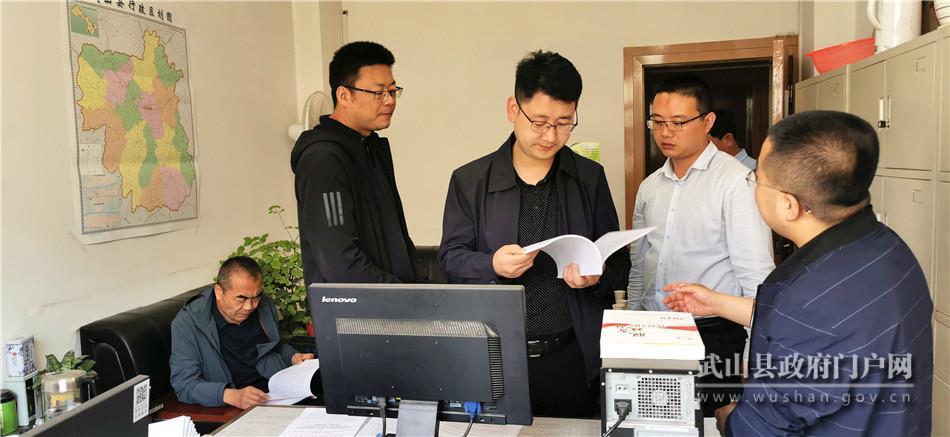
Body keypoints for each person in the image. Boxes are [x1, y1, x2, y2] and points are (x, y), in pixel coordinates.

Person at [665, 110, 933, 435]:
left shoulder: (811, 299)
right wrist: (717, 303)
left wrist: (728, 419)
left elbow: (762, 429)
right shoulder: (888, 248)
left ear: (788, 205)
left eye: (756, 179)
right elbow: (831, 330)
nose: (753, 186)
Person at [439, 50, 630, 418]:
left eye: (564, 123)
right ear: (513, 108)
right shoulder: (470, 181)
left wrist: (597, 275)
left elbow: (620, 263)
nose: (551, 135)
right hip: (495, 357)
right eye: (540, 122)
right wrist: (492, 265)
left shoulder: (588, 178)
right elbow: (450, 259)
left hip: (572, 356)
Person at [627, 74, 774, 416]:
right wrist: (632, 325)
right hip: (653, 331)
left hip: (713, 335)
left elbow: (756, 276)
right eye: (658, 122)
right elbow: (640, 264)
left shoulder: (736, 182)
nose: (666, 132)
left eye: (678, 122)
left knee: (710, 423)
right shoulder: (650, 187)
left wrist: (753, 356)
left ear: (708, 122)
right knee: (654, 423)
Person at [291, 41, 423, 286]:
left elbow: (399, 238)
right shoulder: (323, 160)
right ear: (344, 95)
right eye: (378, 92)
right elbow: (340, 263)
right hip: (360, 307)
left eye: (392, 91)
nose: (389, 101)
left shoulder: (371, 148)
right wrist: (403, 294)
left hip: (395, 301)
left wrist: (422, 288)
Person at [170, 256, 316, 409]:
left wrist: (293, 357)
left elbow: (276, 345)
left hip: (281, 395)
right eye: (241, 298)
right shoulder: (189, 323)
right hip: (233, 408)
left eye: (256, 297)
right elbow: (184, 385)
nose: (249, 307)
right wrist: (231, 395)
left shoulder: (263, 303)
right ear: (218, 292)